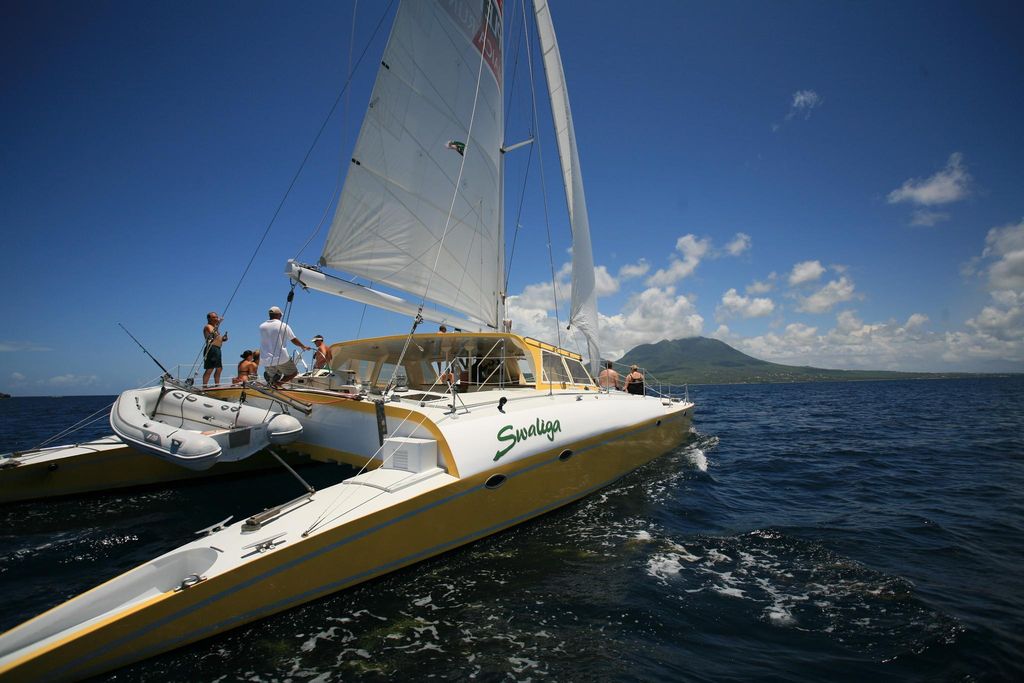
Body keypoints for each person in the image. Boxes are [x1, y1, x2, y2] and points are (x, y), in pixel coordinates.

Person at [259, 306, 311, 386]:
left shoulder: (262, 326)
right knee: (293, 373)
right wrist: (303, 346)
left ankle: (272, 381)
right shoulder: (283, 325)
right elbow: (293, 339)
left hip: (266, 359)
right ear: (278, 315)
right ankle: (278, 384)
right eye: (280, 315)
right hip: (281, 357)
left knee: (274, 374)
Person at [202, 312, 229, 388]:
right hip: (211, 349)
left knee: (219, 368)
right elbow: (213, 334)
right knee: (210, 368)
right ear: (209, 319)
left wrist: (223, 338)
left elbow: (217, 338)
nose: (216, 318)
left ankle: (217, 385)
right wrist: (219, 323)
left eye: (217, 317)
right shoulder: (208, 326)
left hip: (217, 349)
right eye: (214, 317)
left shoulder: (215, 327)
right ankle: (204, 386)